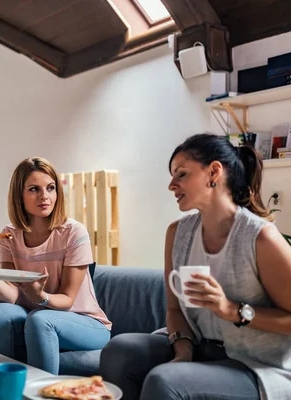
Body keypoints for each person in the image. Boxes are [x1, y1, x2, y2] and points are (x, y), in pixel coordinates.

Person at [100, 133, 291, 400]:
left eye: (181, 175)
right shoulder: (178, 233)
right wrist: (183, 352)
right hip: (200, 347)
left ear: (213, 172)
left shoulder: (260, 238)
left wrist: (232, 311)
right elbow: (174, 309)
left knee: (165, 381)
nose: (171, 185)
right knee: (119, 351)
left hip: (257, 365)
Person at [0, 157, 111, 375]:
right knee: (0, 313)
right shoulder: (10, 234)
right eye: (34, 189)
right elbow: (11, 296)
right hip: (36, 314)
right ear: (19, 196)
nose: (44, 196)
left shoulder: (74, 232)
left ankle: (39, 394)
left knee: (40, 319)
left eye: (50, 188)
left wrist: (40, 296)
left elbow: (68, 299)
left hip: (86, 322)